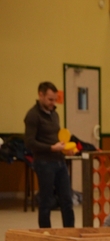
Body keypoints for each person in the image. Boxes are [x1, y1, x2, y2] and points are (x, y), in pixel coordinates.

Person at [24, 81, 75, 229]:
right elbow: (29, 142)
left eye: (55, 99)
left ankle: (70, 232)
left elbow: (57, 138)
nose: (53, 103)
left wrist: (65, 149)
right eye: (50, 99)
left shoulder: (55, 114)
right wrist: (51, 148)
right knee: (46, 202)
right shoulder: (32, 115)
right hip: (44, 163)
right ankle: (45, 235)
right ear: (41, 95)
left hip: (60, 162)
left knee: (67, 200)